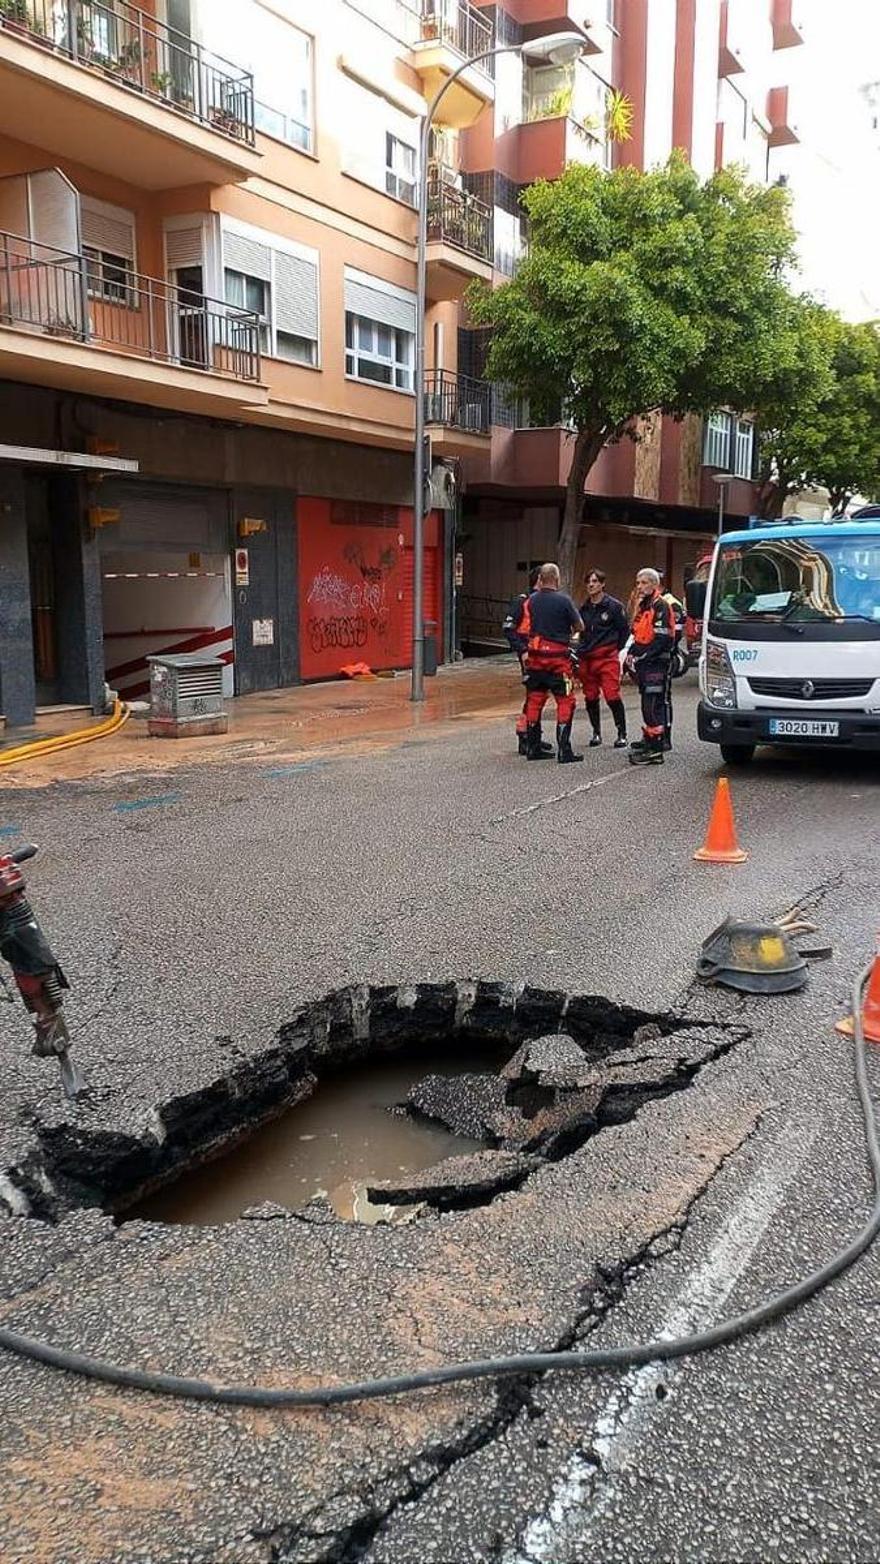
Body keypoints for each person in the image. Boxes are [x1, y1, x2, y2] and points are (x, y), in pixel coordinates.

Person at [515, 563, 584, 763]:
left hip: (535, 659)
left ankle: (533, 748)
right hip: (557, 660)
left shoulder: (531, 601)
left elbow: (523, 628)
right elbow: (580, 625)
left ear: (540, 579)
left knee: (535, 700)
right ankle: (564, 750)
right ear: (556, 578)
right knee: (566, 701)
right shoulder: (564, 600)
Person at [626, 567, 676, 767]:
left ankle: (656, 749)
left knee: (652, 705)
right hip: (645, 663)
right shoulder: (644, 606)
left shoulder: (661, 605)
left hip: (656, 664)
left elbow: (662, 638)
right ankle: (650, 741)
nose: (639, 587)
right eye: (638, 583)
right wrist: (632, 652)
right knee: (647, 704)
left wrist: (644, 656)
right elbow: (638, 634)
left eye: (644, 583)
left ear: (655, 585)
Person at [576, 568, 629, 748]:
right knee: (590, 697)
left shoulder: (614, 606)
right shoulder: (583, 608)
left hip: (606, 657)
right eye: (589, 582)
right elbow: (580, 631)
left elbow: (624, 630)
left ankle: (622, 733)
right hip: (587, 658)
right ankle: (596, 732)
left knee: (612, 694)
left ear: (602, 584)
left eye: (595, 581)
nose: (591, 585)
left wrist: (615, 648)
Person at [504, 567, 551, 756]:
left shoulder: (545, 601)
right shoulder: (522, 601)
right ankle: (525, 736)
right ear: (540, 579)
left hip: (544, 654)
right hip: (529, 655)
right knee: (534, 695)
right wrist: (522, 651)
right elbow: (509, 628)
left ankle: (533, 735)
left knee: (539, 694)